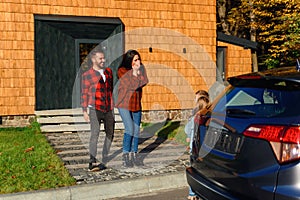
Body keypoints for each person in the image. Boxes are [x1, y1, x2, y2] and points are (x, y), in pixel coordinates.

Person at [81, 47, 114, 172]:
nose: (103, 60)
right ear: (93, 59)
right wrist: (84, 111)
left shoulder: (108, 72)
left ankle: (105, 156)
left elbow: (110, 89)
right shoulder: (87, 75)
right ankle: (92, 160)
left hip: (108, 108)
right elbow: (84, 93)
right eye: (100, 58)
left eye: (104, 58)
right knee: (95, 134)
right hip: (95, 109)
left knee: (110, 133)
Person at [115, 49, 149, 168]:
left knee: (136, 131)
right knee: (129, 129)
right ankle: (125, 157)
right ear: (129, 61)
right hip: (124, 104)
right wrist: (135, 72)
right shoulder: (122, 70)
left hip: (136, 104)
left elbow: (144, 81)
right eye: (135, 60)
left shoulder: (141, 69)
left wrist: (138, 72)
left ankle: (134, 155)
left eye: (138, 59)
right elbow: (131, 85)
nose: (138, 62)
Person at [185, 90, 209, 200]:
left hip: (194, 148)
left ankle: (192, 193)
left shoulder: (195, 117)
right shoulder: (210, 118)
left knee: (194, 171)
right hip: (205, 149)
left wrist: (189, 137)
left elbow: (187, 129)